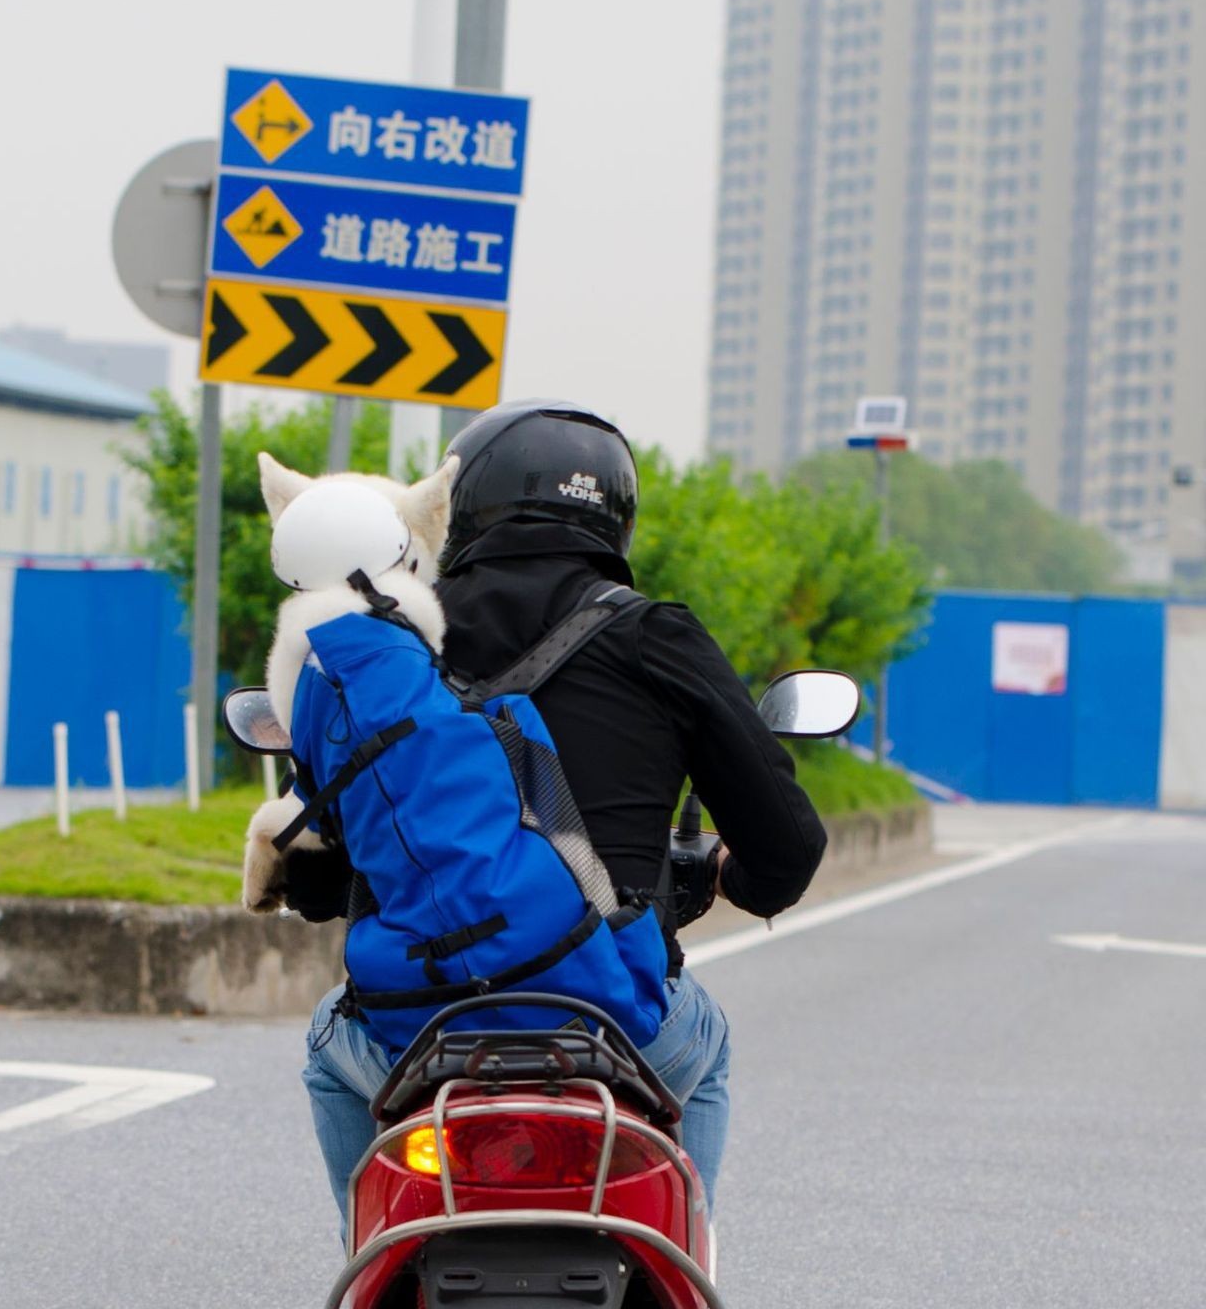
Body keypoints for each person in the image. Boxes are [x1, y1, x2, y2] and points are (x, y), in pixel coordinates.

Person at [290, 401, 828, 1227]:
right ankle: (688, 1289)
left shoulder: (386, 649)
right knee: (706, 1046)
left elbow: (315, 876)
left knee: (333, 1042)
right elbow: (789, 851)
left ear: (457, 510)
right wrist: (732, 873)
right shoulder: (658, 638)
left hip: (420, 1028)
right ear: (617, 517)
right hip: (617, 1016)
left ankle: (371, 1281)